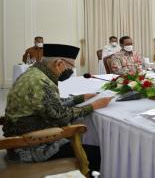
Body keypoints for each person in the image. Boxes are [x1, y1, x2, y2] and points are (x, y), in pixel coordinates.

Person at [3, 44, 112, 173]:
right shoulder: (40, 82)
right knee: (100, 154)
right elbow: (59, 116)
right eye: (71, 66)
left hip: (24, 134)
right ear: (59, 63)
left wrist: (79, 98)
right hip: (30, 144)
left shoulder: (35, 73)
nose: (71, 70)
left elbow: (50, 104)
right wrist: (93, 106)